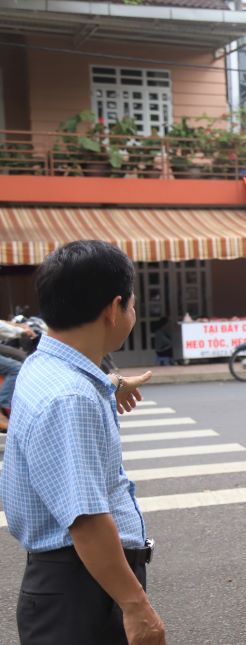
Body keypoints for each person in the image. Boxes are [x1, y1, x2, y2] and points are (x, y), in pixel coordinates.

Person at [0, 240, 165, 644]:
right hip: (82, 589)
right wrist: (136, 606)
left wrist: (107, 386)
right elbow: (87, 521)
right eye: (131, 304)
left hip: (70, 582)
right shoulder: (70, 397)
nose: (132, 313)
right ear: (113, 309)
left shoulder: (45, 365)